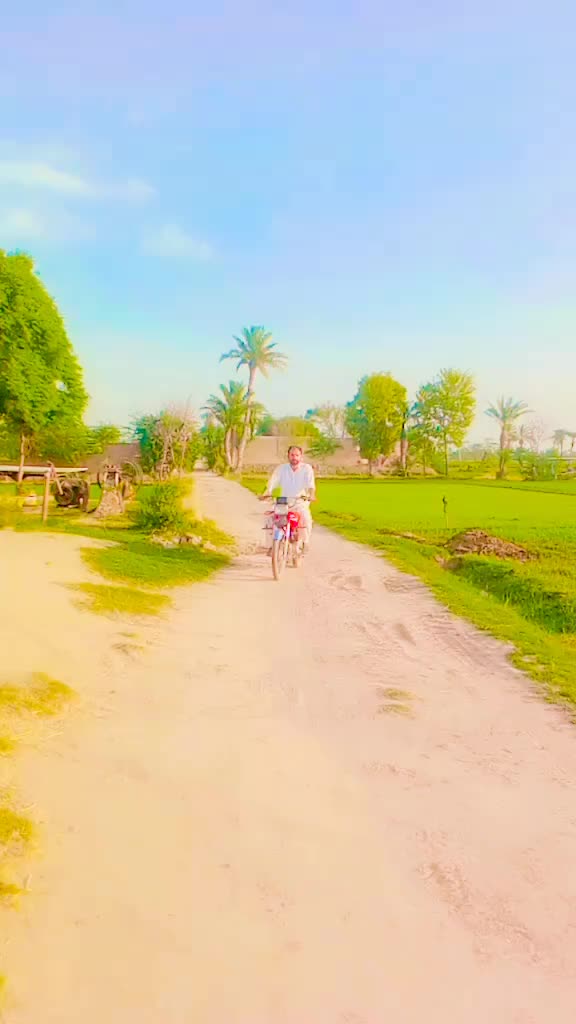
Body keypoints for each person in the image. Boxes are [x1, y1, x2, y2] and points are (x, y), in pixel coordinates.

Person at [260, 445, 316, 549]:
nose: (294, 457)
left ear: (301, 456)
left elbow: (310, 485)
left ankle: (304, 542)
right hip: (283, 502)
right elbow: (272, 482)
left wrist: (312, 495)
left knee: (306, 520)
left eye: (297, 455)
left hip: (299, 502)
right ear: (288, 456)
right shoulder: (281, 469)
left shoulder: (306, 468)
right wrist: (266, 493)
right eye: (292, 455)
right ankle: (271, 546)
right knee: (269, 519)